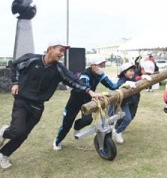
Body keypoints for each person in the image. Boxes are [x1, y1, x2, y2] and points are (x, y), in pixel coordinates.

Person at [0, 41, 102, 169]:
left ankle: (4, 154)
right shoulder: (31, 59)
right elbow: (14, 65)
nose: (62, 54)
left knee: (23, 135)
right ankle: (4, 131)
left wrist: (91, 92)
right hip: (22, 101)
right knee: (17, 131)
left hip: (38, 106)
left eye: (63, 52)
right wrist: (15, 82)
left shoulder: (59, 69)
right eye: (60, 50)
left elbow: (73, 80)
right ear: (50, 49)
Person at [53, 57, 118, 150]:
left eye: (104, 64)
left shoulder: (100, 74)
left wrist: (123, 86)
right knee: (66, 124)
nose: (103, 67)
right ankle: (57, 141)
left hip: (87, 100)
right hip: (75, 100)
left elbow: (112, 85)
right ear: (93, 66)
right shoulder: (85, 75)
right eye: (101, 65)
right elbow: (84, 86)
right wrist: (94, 94)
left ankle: (77, 126)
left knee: (87, 120)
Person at [110, 63, 140, 144]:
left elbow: (139, 82)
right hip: (124, 102)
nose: (132, 73)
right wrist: (126, 84)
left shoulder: (133, 79)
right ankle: (118, 131)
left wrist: (143, 79)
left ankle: (117, 128)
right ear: (124, 72)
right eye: (130, 71)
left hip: (133, 101)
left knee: (131, 116)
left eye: (133, 71)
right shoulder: (122, 80)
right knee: (127, 118)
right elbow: (119, 86)